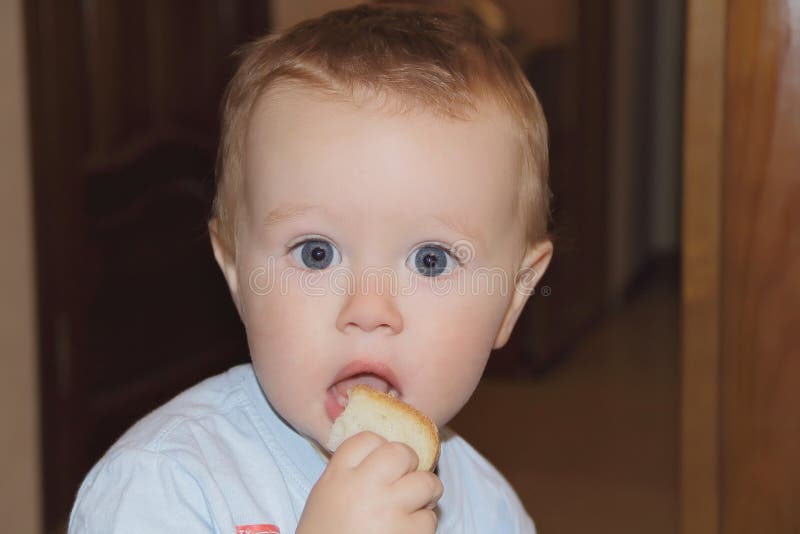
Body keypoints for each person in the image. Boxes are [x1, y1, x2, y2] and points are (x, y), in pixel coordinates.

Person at [69, 4, 552, 533]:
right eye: (316, 252)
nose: (368, 309)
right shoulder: (162, 486)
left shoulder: (489, 509)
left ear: (512, 298)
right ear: (236, 273)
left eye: (430, 260)